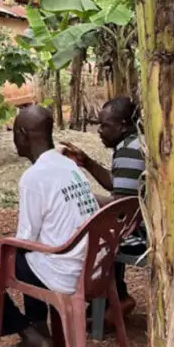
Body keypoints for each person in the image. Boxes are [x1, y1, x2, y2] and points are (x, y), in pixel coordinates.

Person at [0, 105, 98, 347]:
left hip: (62, 272)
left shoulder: (34, 178)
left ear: (23, 134)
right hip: (87, 266)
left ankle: (30, 337)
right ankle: (39, 329)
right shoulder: (69, 166)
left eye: (14, 132)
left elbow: (24, 242)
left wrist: (0, 246)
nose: (13, 138)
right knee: (31, 255)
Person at [61, 96, 145, 322]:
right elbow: (114, 184)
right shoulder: (131, 144)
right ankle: (116, 296)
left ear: (123, 125)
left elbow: (122, 208)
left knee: (90, 234)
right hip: (139, 225)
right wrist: (86, 162)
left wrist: (82, 197)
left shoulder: (130, 151)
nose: (100, 131)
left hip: (141, 234)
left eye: (105, 125)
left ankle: (109, 301)